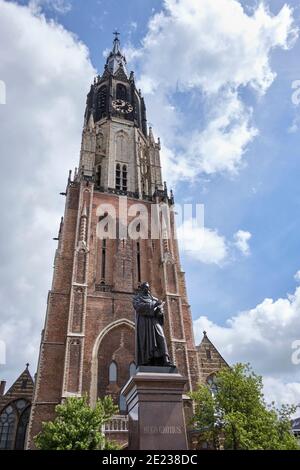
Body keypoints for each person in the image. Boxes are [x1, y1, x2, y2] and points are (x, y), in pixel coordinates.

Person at [133, 282, 173, 367]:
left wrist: (160, 310)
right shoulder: (137, 298)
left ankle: (165, 359)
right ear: (142, 289)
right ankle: (147, 360)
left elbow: (159, 314)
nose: (147, 290)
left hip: (154, 321)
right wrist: (154, 305)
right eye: (145, 288)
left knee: (161, 337)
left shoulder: (154, 299)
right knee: (146, 341)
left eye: (148, 288)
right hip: (144, 322)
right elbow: (139, 307)